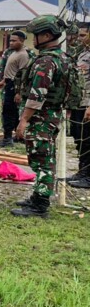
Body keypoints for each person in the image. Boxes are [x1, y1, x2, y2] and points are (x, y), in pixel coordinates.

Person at [12, 15, 72, 217]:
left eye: (36, 35)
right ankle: (38, 197)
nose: (33, 40)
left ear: (46, 35)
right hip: (53, 115)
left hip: (42, 117)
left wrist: (24, 119)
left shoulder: (46, 61)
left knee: (42, 159)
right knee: (44, 157)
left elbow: (38, 95)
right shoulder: (62, 58)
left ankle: (40, 205)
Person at [0, 31, 34, 147]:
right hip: (9, 84)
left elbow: (22, 76)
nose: (11, 43)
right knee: (12, 112)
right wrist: (3, 82)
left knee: (8, 112)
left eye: (14, 41)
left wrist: (19, 92)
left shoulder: (23, 55)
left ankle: (7, 138)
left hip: (14, 87)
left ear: (22, 41)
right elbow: (10, 71)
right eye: (10, 40)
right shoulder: (12, 52)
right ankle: (17, 136)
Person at [69, 28, 90, 189]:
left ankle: (88, 176)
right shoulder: (83, 54)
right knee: (78, 137)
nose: (80, 38)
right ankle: (82, 171)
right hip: (78, 102)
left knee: (88, 139)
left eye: (83, 35)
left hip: (88, 104)